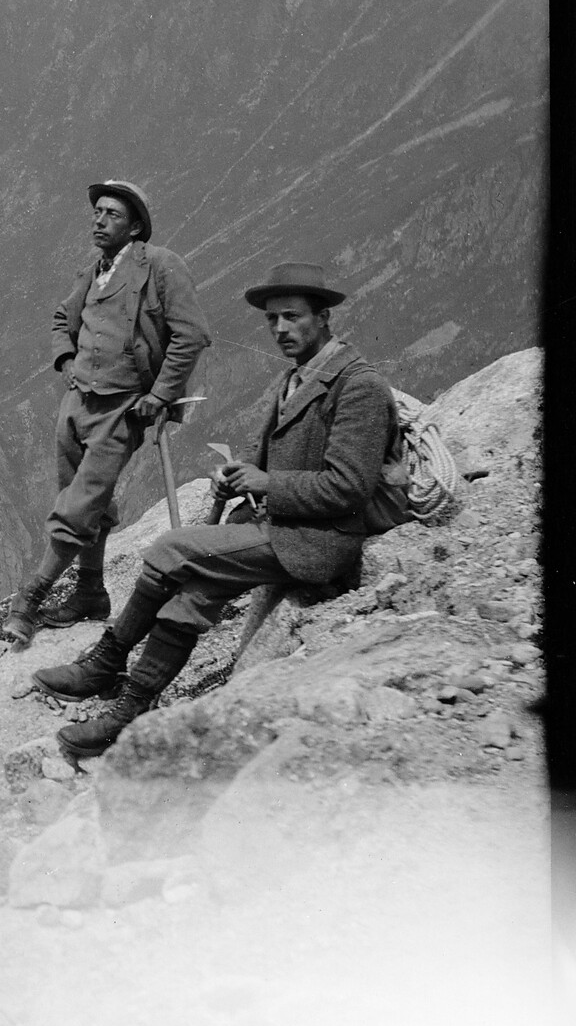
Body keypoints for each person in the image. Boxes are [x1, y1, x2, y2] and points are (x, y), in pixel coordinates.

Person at [32, 262, 397, 757]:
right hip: (280, 526)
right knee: (192, 596)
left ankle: (105, 663)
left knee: (170, 548)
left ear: (325, 317)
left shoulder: (358, 385)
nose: (280, 330)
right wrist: (243, 472)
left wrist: (269, 483)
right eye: (272, 320)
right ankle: (129, 711)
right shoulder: (298, 377)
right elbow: (275, 459)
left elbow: (350, 488)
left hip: (316, 540)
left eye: (292, 317)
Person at [1, 181, 211, 648]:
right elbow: (62, 319)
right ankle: (91, 594)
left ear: (135, 226)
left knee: (80, 504)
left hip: (123, 407)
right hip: (77, 403)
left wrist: (160, 394)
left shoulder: (159, 266)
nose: (99, 220)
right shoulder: (92, 273)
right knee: (83, 498)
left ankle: (29, 599)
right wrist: (67, 362)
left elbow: (192, 334)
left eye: (112, 214)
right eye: (97, 211)